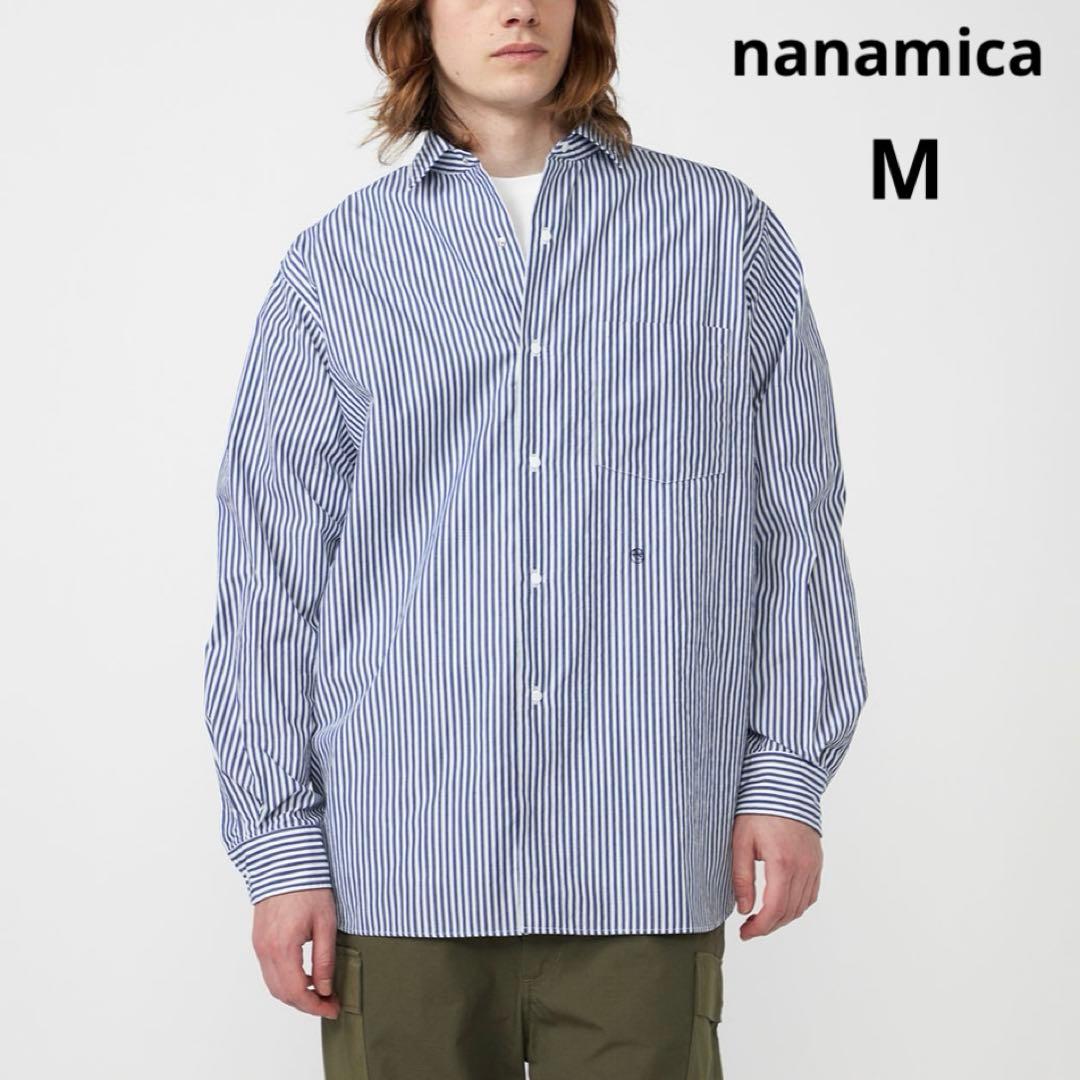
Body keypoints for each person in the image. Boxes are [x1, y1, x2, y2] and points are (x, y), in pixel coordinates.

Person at [201, 1, 869, 1077]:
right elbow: (269, 576)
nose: (516, 8)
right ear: (417, 23)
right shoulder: (337, 266)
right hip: (402, 862)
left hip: (645, 851)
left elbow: (795, 522)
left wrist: (786, 775)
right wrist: (279, 847)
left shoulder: (720, 234)